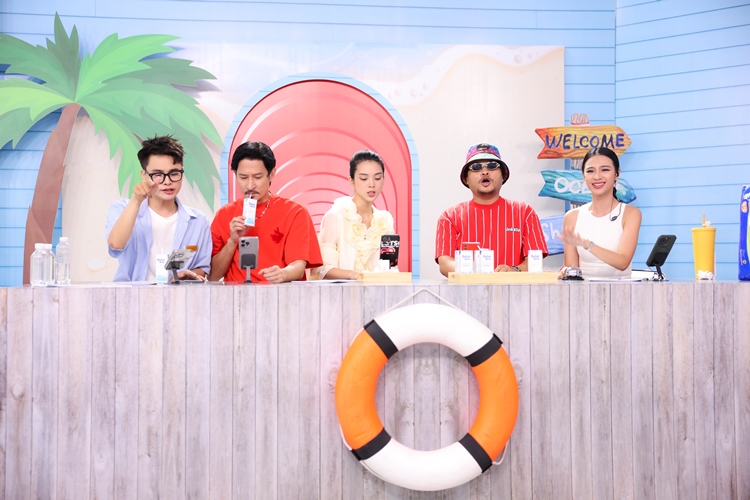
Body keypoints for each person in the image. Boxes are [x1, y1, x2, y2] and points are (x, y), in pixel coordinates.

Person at [209, 141, 322, 283]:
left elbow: (298, 267)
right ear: (235, 174)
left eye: (257, 177)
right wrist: (232, 241)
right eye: (243, 177)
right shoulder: (224, 214)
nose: (250, 185)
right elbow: (212, 276)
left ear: (271, 174)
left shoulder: (294, 212)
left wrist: (283, 274)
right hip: (235, 295)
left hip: (279, 293)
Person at [106, 135, 211, 282]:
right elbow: (115, 245)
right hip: (132, 294)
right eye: (158, 174)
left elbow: (202, 267)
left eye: (174, 173)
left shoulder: (198, 221)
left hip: (177, 294)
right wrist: (136, 200)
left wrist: (183, 276)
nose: (167, 182)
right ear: (144, 175)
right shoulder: (122, 208)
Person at [435, 142, 548, 277]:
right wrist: (476, 272)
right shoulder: (449, 217)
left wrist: (514, 270)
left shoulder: (525, 212)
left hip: (514, 288)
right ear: (466, 179)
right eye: (476, 167)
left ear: (503, 175)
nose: (485, 172)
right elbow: (445, 263)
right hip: (467, 289)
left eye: (492, 166)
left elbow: (534, 261)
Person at [558, 146, 642, 278]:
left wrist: (587, 244)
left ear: (617, 174)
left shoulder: (630, 214)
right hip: (583, 289)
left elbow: (623, 262)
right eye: (590, 171)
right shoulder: (572, 217)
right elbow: (572, 270)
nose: (597, 176)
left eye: (605, 170)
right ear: (584, 176)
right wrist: (564, 272)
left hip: (621, 288)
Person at [312, 150, 395, 280]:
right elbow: (324, 269)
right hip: (343, 291)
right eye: (364, 178)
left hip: (377, 291)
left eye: (377, 178)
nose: (372, 184)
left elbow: (390, 267)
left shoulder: (385, 221)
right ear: (351, 181)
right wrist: (357, 276)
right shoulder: (336, 216)